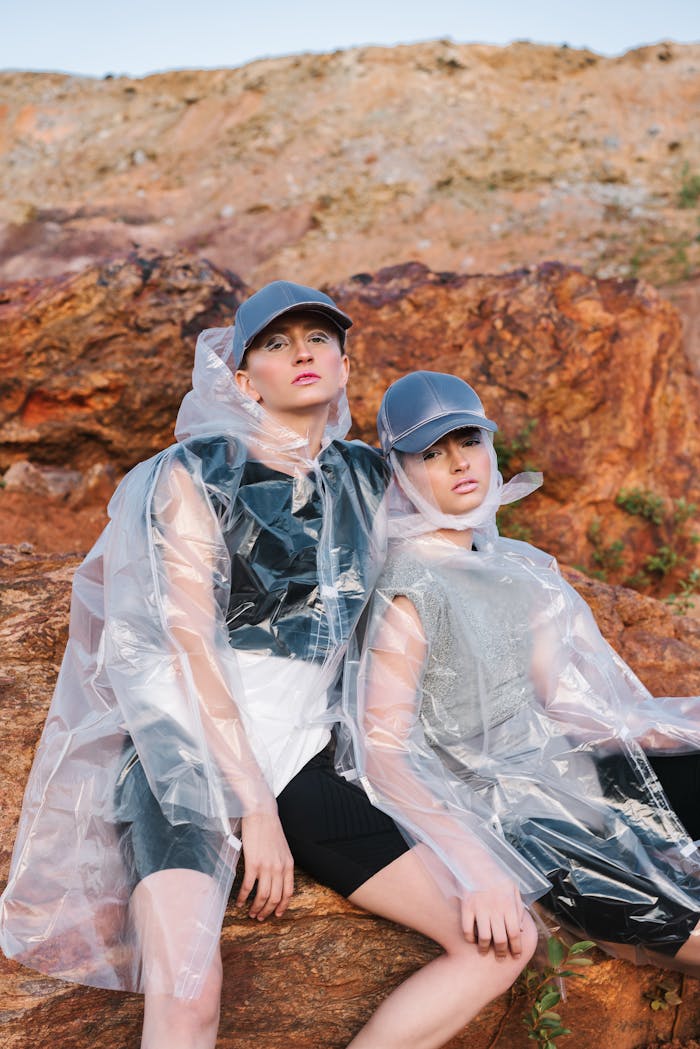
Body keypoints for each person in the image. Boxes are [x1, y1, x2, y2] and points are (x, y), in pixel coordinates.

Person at [0, 289, 537, 1049]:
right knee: (188, 991)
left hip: (303, 762)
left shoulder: (365, 475)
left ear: (347, 366)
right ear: (244, 380)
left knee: (500, 941)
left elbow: (454, 529)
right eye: (276, 345)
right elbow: (184, 642)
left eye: (319, 338)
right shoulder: (191, 471)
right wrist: (254, 809)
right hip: (183, 755)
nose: (303, 352)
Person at [339, 369, 700, 985]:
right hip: (513, 818)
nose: (458, 463)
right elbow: (384, 752)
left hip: (568, 769)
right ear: (400, 472)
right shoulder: (411, 588)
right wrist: (474, 864)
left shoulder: (516, 566)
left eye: (468, 441)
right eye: (432, 452)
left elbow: (569, 706)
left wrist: (681, 722)